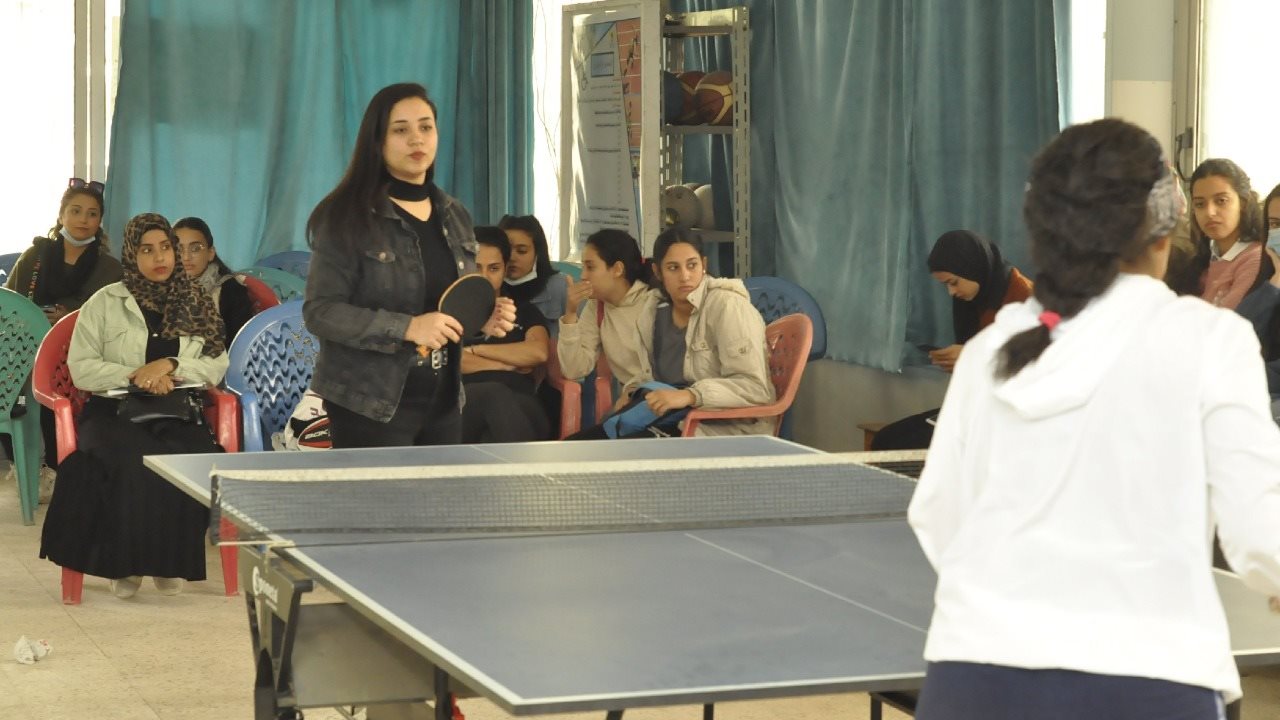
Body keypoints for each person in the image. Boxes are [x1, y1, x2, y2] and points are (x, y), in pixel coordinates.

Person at [908, 118, 1280, 719]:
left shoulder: (990, 354)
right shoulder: (1213, 342)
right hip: (1150, 677)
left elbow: (938, 517)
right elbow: (1262, 526)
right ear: (1165, 228)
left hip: (973, 676)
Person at [303, 82, 513, 449]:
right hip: (369, 404)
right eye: (401, 130)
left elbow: (445, 310)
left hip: (445, 400)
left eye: (425, 127)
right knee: (381, 508)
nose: (416, 139)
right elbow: (320, 312)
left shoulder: (455, 213)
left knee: (440, 507)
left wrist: (481, 321)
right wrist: (407, 328)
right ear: (378, 141)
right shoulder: (344, 217)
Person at [39, 213, 229, 599]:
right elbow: (82, 369)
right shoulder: (105, 303)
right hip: (113, 409)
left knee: (190, 454)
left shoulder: (196, 302)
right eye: (146, 250)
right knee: (129, 455)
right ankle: (124, 564)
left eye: (164, 247)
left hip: (175, 406)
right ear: (131, 255)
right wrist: (137, 374)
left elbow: (216, 362)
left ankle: (168, 562)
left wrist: (171, 366)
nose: (158, 257)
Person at [563, 228, 775, 439]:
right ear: (658, 272)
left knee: (615, 457)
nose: (685, 276)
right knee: (574, 446)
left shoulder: (728, 306)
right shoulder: (655, 310)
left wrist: (690, 395)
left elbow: (755, 388)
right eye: (673, 268)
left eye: (692, 265)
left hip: (718, 426)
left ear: (704, 265)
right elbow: (651, 376)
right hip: (666, 417)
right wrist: (632, 391)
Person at [4, 178, 122, 497]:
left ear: (100, 221)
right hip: (27, 351)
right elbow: (9, 304)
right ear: (61, 215)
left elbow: (114, 317)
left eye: (92, 213)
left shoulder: (110, 268)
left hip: (82, 355)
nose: (83, 220)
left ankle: (61, 469)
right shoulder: (35, 256)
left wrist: (71, 315)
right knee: (10, 389)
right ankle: (29, 466)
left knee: (58, 398)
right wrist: (33, 316)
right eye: (76, 211)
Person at [460, 226, 551, 443]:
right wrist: (507, 364)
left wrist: (476, 350)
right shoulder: (452, 311)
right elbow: (453, 360)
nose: (484, 276)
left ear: (504, 269)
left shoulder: (524, 311)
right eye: (477, 267)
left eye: (493, 268)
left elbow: (537, 353)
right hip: (464, 405)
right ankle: (526, 475)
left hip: (521, 402)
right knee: (493, 394)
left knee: (492, 436)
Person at [925, 230, 1033, 372]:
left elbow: (1035, 355)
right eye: (946, 285)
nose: (951, 292)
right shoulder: (971, 296)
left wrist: (972, 355)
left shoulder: (1027, 295)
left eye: (954, 282)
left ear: (972, 269)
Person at [1191, 158, 1264, 310]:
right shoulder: (1204, 258)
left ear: (1243, 203)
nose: (1209, 212)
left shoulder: (1255, 259)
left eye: (1221, 201)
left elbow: (1227, 327)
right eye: (1200, 204)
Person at [173, 217, 255, 346]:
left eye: (195, 248)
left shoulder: (231, 291)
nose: (186, 257)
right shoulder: (159, 288)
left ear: (210, 253)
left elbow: (239, 347)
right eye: (178, 249)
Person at [498, 214, 569, 336]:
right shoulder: (488, 289)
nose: (512, 258)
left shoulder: (561, 287)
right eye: (506, 250)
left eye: (522, 251)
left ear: (537, 253)